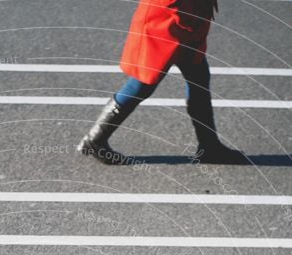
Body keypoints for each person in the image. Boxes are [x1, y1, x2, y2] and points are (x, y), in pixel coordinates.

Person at [78, 0, 248, 164]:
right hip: (167, 21)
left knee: (198, 77)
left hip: (186, 17)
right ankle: (96, 140)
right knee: (143, 83)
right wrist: (186, 18)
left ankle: (209, 146)